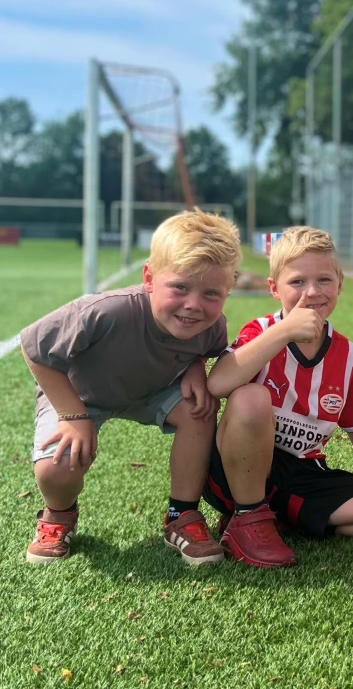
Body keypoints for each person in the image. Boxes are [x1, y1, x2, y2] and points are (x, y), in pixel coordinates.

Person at [20, 209, 241, 566]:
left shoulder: (212, 327)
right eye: (180, 287)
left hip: (150, 392)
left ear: (228, 291)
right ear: (150, 278)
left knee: (200, 409)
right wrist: (73, 415)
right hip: (81, 396)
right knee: (57, 466)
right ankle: (58, 514)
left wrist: (197, 367)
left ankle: (181, 514)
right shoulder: (106, 311)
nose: (194, 305)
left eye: (212, 293)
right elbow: (34, 349)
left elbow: (207, 351)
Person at [204, 226, 353, 568]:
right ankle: (246, 517)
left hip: (303, 474)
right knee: (250, 398)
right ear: (274, 288)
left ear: (340, 283)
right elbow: (218, 384)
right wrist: (285, 331)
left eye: (323, 280)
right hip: (237, 469)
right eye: (297, 282)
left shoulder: (345, 354)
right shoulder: (261, 331)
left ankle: (281, 518)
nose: (312, 292)